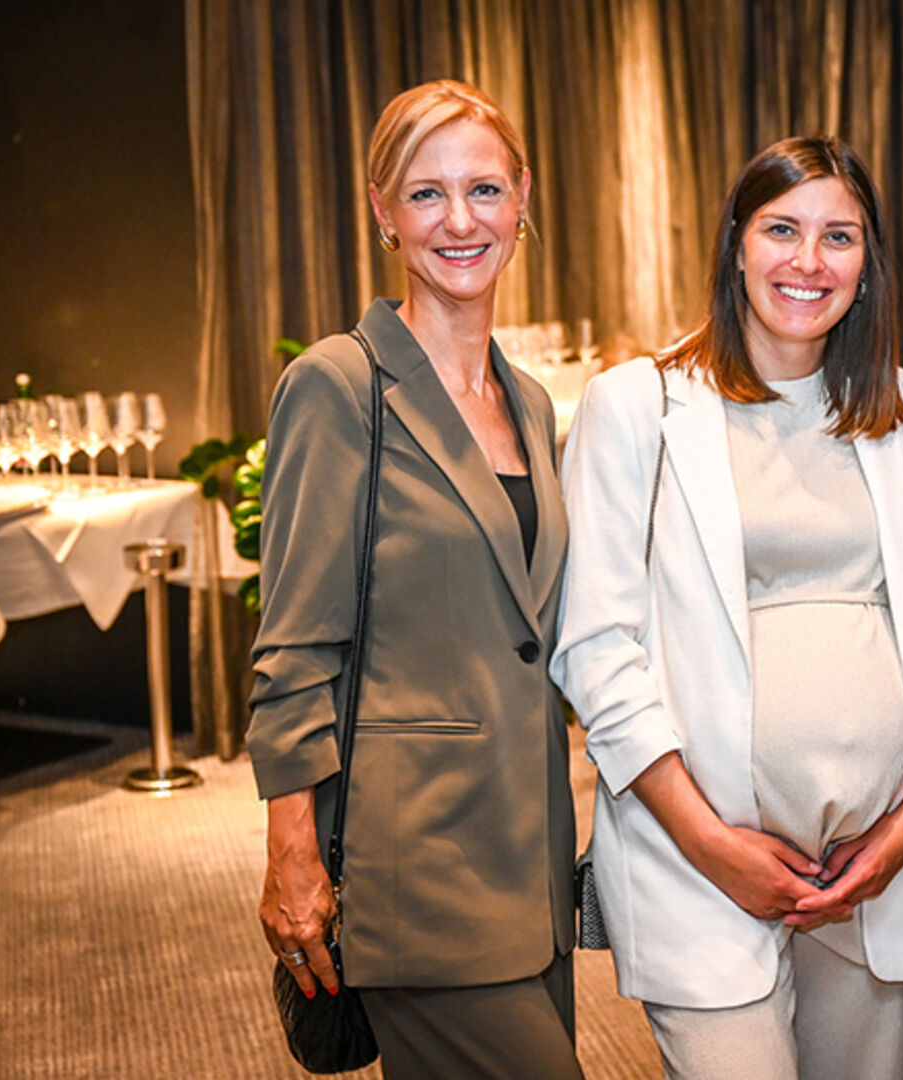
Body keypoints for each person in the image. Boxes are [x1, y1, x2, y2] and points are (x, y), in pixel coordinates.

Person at [552, 136, 903, 1080]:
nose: (809, 262)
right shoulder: (635, 405)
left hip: (872, 866)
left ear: (869, 262)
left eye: (839, 237)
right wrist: (710, 842)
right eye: (782, 230)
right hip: (701, 864)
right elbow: (596, 648)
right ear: (735, 243)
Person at [248, 80, 581, 1079]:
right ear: (382, 211)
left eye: (483, 188)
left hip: (531, 862)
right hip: (418, 865)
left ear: (522, 197)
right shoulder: (338, 386)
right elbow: (294, 646)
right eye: (426, 194)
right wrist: (292, 854)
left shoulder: (530, 404)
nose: (460, 220)